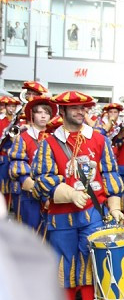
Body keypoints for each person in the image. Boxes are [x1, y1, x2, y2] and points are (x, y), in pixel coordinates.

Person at [31, 91, 124, 300]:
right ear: (61, 111)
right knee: (65, 263)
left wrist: (115, 206)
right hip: (61, 216)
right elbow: (42, 179)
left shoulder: (99, 140)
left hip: (92, 213)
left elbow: (111, 173)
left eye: (84, 107)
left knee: (90, 262)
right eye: (74, 108)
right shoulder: (49, 143)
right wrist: (69, 193)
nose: (80, 111)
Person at [8, 96, 58, 233]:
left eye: (46, 113)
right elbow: (18, 166)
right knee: (29, 232)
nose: (43, 116)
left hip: (50, 193)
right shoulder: (23, 137)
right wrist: (38, 190)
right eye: (39, 112)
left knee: (49, 233)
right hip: (29, 193)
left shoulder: (55, 137)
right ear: (32, 115)